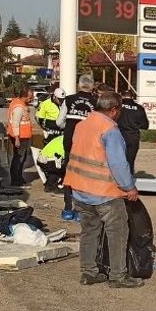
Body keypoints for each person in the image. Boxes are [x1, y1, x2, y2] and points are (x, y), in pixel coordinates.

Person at [65, 91, 143, 288]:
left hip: (80, 189)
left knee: (89, 231)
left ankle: (88, 272)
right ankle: (118, 276)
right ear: (114, 109)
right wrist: (129, 187)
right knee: (118, 232)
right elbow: (118, 163)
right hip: (104, 193)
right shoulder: (110, 129)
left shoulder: (82, 125)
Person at [56, 74, 97, 221]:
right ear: (92, 86)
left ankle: (68, 209)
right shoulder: (96, 102)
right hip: (88, 146)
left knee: (69, 176)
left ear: (79, 85)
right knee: (84, 177)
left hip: (70, 144)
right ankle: (81, 211)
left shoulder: (69, 99)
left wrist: (69, 127)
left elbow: (59, 122)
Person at [6, 87, 34, 187]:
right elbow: (15, 124)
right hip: (20, 137)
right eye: (30, 98)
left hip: (23, 136)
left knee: (22, 158)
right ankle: (15, 180)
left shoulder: (20, 105)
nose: (32, 99)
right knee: (18, 159)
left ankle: (19, 177)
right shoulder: (18, 107)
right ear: (24, 97)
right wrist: (17, 138)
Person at [117, 89, 149, 174]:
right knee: (130, 161)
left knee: (117, 160)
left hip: (118, 135)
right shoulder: (139, 108)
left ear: (122, 96)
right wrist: (134, 124)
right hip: (133, 137)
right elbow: (145, 125)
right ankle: (129, 181)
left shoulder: (117, 106)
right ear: (132, 97)